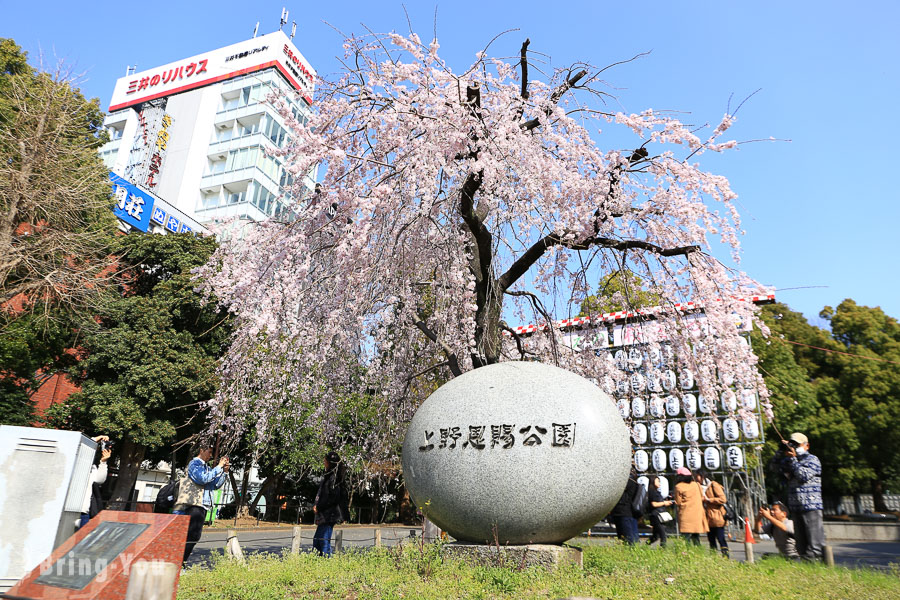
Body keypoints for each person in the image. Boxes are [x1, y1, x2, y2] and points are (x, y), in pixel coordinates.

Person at [173, 443, 229, 564]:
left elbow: (215, 485)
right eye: (209, 452)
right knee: (190, 536)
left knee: (193, 536)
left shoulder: (207, 467)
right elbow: (202, 479)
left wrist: (224, 472)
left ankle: (180, 562)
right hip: (193, 504)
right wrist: (218, 466)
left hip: (202, 505)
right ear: (201, 450)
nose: (210, 455)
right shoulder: (195, 464)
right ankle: (179, 562)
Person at [774, 432, 825, 560]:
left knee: (814, 544)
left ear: (807, 446)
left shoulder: (812, 459)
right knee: (800, 544)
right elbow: (774, 468)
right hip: (795, 506)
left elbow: (803, 476)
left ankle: (815, 562)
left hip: (811, 506)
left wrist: (793, 459)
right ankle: (805, 564)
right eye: (792, 444)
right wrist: (780, 452)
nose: (794, 447)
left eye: (797, 444)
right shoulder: (789, 460)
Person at [313, 450, 348, 557]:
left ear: (329, 462)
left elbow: (331, 498)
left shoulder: (334, 479)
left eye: (325, 460)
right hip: (326, 514)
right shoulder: (330, 477)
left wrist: (318, 507)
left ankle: (326, 561)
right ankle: (317, 562)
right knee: (318, 540)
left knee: (323, 540)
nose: (324, 462)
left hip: (329, 514)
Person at [77, 435, 111, 529]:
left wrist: (103, 462)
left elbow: (100, 480)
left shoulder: (93, 467)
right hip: (69, 510)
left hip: (84, 513)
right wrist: (96, 439)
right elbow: (82, 447)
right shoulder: (76, 462)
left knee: (80, 542)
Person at [697, 469, 729, 556]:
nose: (696, 478)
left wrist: (708, 500)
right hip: (708, 517)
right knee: (711, 539)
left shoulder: (713, 485)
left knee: (720, 538)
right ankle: (713, 558)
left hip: (717, 515)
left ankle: (725, 556)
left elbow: (723, 499)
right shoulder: (699, 487)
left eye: (697, 476)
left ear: (702, 476)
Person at [674, 466, 708, 545]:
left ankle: (687, 554)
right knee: (696, 536)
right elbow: (701, 497)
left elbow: (678, 502)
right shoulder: (696, 484)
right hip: (697, 514)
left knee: (686, 537)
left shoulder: (678, 487)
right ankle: (699, 553)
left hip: (686, 515)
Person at [609, 467, 640, 545]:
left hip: (623, 512)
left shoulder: (627, 482)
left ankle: (631, 553)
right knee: (631, 538)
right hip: (630, 513)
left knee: (627, 538)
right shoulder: (634, 482)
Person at [647, 476, 674, 547]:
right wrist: (664, 503)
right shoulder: (652, 492)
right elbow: (654, 504)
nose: (659, 483)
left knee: (656, 536)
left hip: (658, 515)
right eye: (657, 481)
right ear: (653, 482)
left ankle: (646, 545)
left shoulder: (656, 491)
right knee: (663, 534)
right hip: (656, 515)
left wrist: (665, 502)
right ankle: (663, 549)